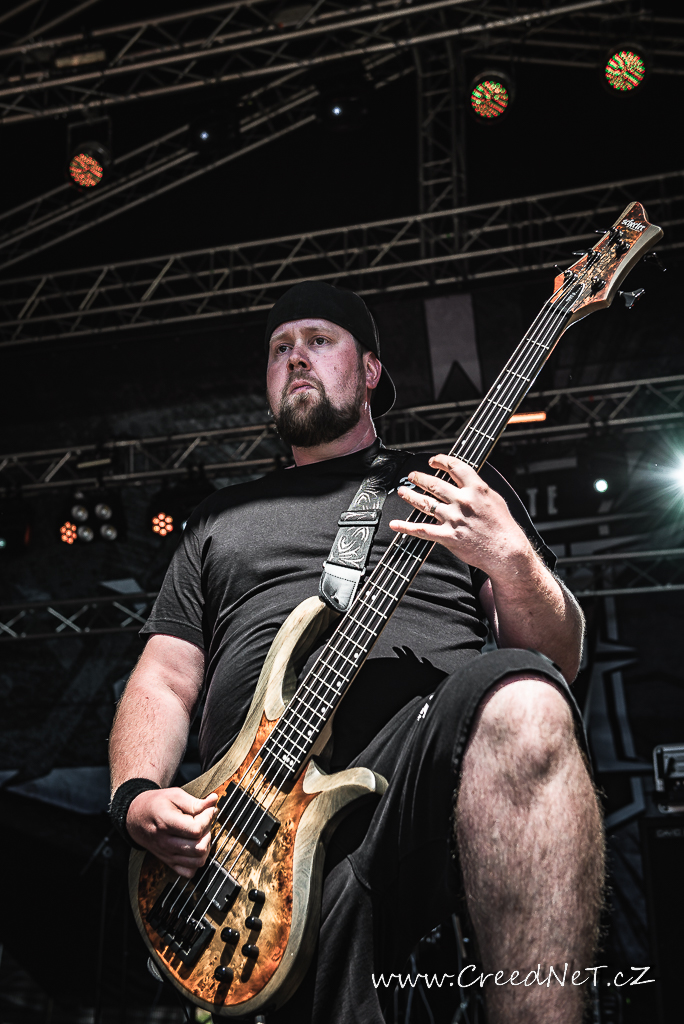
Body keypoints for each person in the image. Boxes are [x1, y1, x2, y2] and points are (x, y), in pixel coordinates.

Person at [109, 281, 604, 1024]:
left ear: (370, 370)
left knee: (528, 702)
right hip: (245, 834)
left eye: (319, 340)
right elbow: (164, 679)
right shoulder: (217, 520)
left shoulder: (451, 492)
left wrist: (509, 558)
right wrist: (134, 797)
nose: (295, 357)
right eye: (280, 347)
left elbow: (558, 657)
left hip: (418, 785)